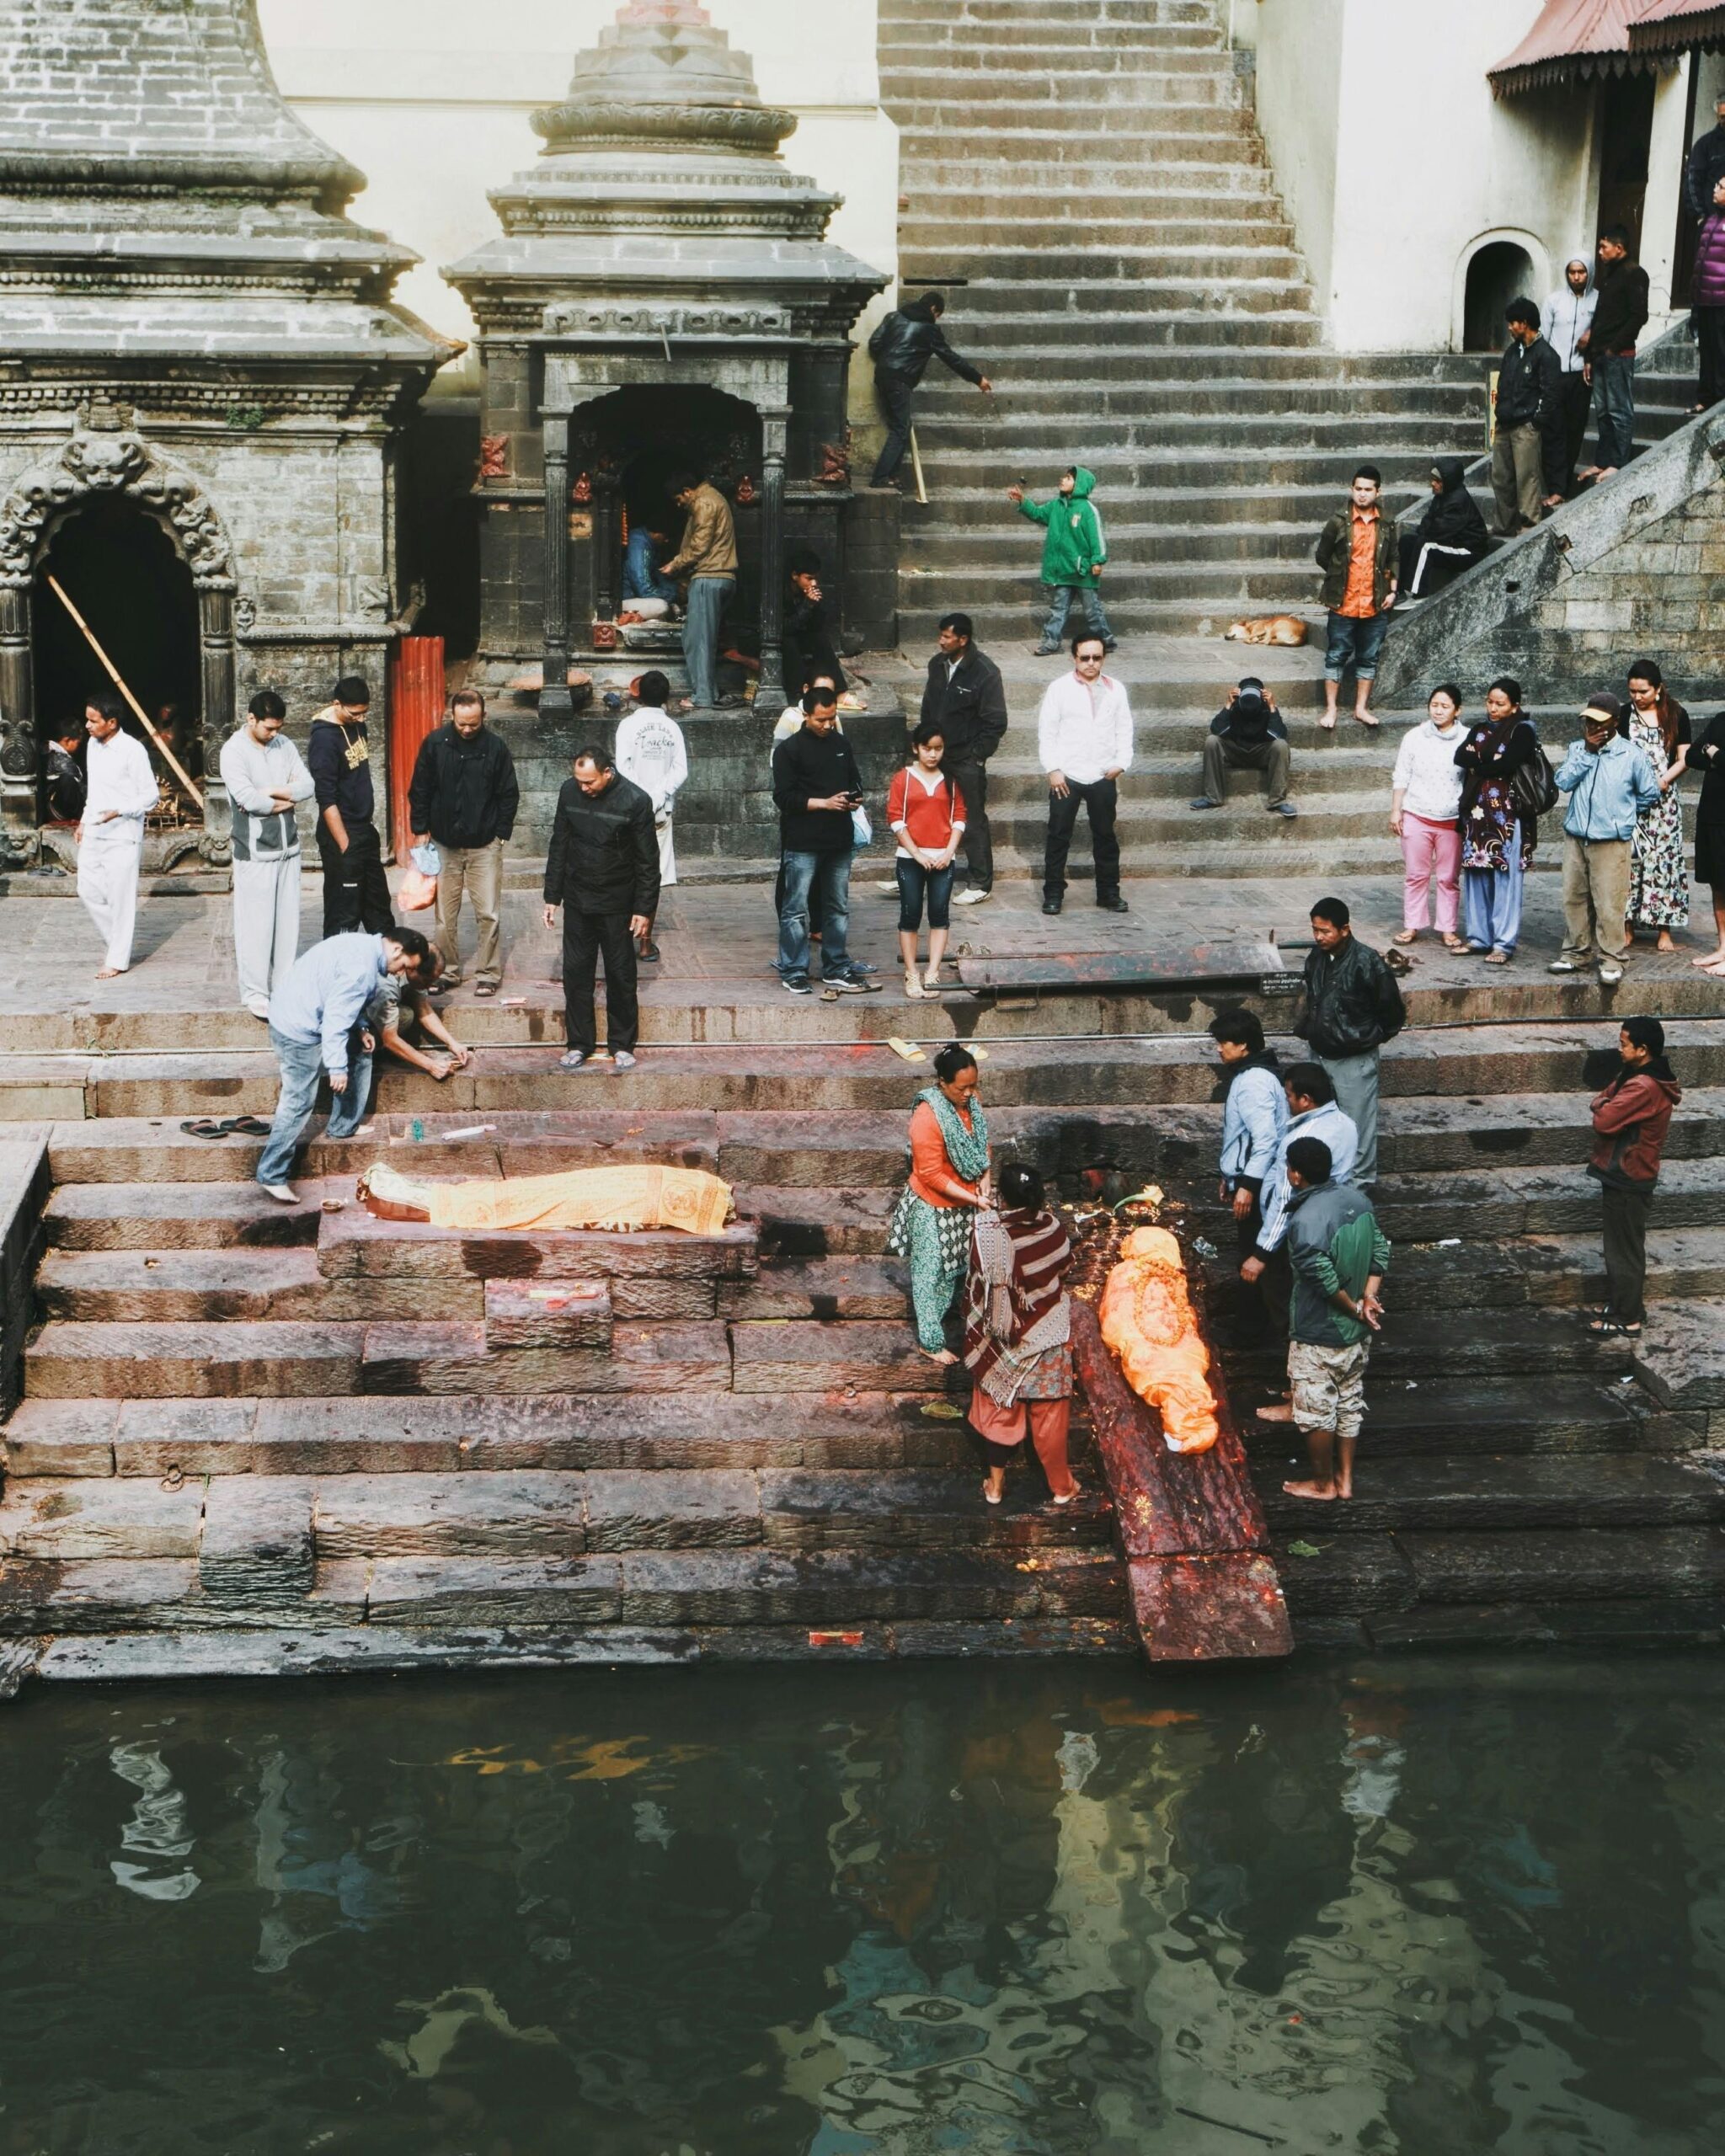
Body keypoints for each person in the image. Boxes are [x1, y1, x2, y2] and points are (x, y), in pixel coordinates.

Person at [254, 925, 429, 1202]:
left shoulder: (362, 945)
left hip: (297, 1010)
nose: (400, 973)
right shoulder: (362, 970)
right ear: (397, 950)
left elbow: (341, 997)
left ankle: (343, 1125)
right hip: (297, 1028)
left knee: (360, 1049)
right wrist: (337, 1068)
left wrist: (360, 1028)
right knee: (298, 1100)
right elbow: (336, 1019)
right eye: (404, 965)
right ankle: (271, 1173)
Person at [1262, 1134, 1391, 1504]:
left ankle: (1322, 1483)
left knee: (1317, 1412)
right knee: (1349, 1402)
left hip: (1320, 1332)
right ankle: (1345, 1480)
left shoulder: (1305, 1220)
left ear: (1295, 1174)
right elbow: (1380, 1249)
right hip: (1357, 1334)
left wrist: (1352, 1305)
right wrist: (1369, 1298)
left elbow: (1322, 1278)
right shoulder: (1358, 1199)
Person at [964, 1161, 1081, 1507]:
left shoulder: (985, 1235)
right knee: (1051, 1419)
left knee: (998, 1408)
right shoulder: (1054, 1228)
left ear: (1002, 1195)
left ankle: (996, 1488)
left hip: (1004, 1340)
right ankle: (1062, 1488)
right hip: (1047, 1334)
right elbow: (1064, 1265)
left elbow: (976, 1277)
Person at [542, 744, 659, 1072]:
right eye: (579, 781)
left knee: (620, 974)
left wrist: (643, 909)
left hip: (617, 902)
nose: (583, 788)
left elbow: (648, 862)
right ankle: (579, 1043)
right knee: (576, 974)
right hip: (578, 898)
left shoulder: (636, 801)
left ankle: (621, 1043)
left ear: (608, 773)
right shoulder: (569, 792)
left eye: (590, 782)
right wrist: (552, 896)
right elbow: (559, 844)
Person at [1240, 1062, 1359, 1358]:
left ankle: (1296, 1375)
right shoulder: (1347, 1124)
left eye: (1289, 1096)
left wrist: (1261, 1254)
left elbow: (1285, 1199)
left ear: (1306, 1100)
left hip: (1294, 1233)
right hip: (1330, 1224)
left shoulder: (1300, 1140)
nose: (1286, 1102)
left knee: (1286, 1302)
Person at [407, 688, 519, 999]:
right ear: (452, 717)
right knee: (445, 917)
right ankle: (447, 971)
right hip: (444, 843)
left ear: (483, 716)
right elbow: (420, 789)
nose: (467, 729)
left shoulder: (496, 747)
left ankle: (488, 973)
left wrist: (501, 834)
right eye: (461, 724)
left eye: (473, 723)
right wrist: (420, 830)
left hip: (485, 845)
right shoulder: (434, 744)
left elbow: (509, 793)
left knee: (489, 915)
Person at [885, 1043, 991, 1363]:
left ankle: (959, 1315)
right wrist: (974, 1197)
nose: (970, 1094)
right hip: (932, 1207)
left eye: (974, 1085)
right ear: (942, 1084)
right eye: (963, 1088)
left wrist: (985, 1181)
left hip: (966, 1201)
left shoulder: (971, 1104)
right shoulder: (926, 1117)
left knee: (961, 1269)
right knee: (931, 1276)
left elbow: (983, 1146)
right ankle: (930, 1342)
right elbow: (931, 1175)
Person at [1548, 692, 1659, 987]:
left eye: (1600, 722)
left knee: (1610, 902)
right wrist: (1586, 751)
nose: (1593, 727)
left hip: (1611, 840)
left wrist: (1621, 816)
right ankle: (1575, 953)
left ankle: (1612, 958)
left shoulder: (1631, 755)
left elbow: (1649, 793)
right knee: (1574, 897)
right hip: (1576, 838)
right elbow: (1562, 782)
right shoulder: (1577, 749)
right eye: (1589, 720)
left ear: (1615, 721)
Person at [771, 685, 875, 996]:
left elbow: (855, 780)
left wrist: (853, 799)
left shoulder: (841, 743)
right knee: (796, 908)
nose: (827, 725)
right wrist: (823, 803)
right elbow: (784, 797)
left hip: (838, 839)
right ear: (806, 715)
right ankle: (793, 968)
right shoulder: (788, 750)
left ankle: (836, 965)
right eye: (821, 720)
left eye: (832, 719)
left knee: (838, 906)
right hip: (803, 840)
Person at [1294, 898, 1403, 1187]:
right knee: (1316, 1123)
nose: (1318, 937)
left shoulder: (1368, 962)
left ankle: (1357, 1190)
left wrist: (1366, 1039)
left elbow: (1392, 1014)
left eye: (1325, 931)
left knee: (1357, 1130)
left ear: (1345, 930)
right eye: (1315, 930)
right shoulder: (1315, 958)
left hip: (1354, 1059)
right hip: (1318, 1053)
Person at [220, 688, 314, 1020]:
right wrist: (280, 802)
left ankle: (285, 985)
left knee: (287, 923)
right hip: (254, 852)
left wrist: (274, 792)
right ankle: (255, 991)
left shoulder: (284, 745)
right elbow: (247, 799)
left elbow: (307, 785)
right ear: (252, 719)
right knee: (255, 925)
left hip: (289, 847)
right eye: (269, 729)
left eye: (278, 728)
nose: (275, 734)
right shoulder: (233, 751)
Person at [1586, 1016, 1680, 1338]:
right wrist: (1605, 1103)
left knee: (1623, 1250)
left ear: (1642, 1049)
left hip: (1629, 1174)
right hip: (1627, 1172)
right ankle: (1623, 1305)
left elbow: (1603, 1118)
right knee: (1622, 1245)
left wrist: (1605, 1104)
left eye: (1624, 1043)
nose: (1619, 1048)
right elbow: (1601, 1099)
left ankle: (1628, 1318)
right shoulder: (1636, 1074)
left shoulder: (1642, 1085)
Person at [1038, 632, 1133, 916]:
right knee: (1058, 836)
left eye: (1097, 657)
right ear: (1074, 658)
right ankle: (1053, 894)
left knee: (1105, 836)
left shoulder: (1116, 689)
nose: (1091, 663)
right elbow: (1047, 731)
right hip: (1067, 775)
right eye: (1085, 658)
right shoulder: (1059, 688)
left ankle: (1108, 892)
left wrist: (1121, 762)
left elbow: (1124, 728)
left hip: (1102, 774)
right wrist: (1053, 769)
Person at [920, 613, 1007, 906]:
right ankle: (920, 868)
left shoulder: (985, 672)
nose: (941, 641)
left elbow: (995, 721)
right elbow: (928, 706)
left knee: (971, 819)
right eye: (941, 635)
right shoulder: (937, 664)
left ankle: (980, 881)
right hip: (935, 754)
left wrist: (977, 756)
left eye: (947, 636)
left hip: (966, 758)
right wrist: (924, 744)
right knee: (929, 811)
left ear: (963, 639)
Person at [867, 291, 993, 489]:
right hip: (901, 380)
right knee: (900, 428)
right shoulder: (929, 330)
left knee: (901, 426)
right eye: (937, 315)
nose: (936, 319)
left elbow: (874, 343)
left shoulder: (893, 316)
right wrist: (978, 379)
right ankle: (880, 477)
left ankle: (891, 475)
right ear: (934, 309)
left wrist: (888, 360)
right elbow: (951, 358)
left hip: (882, 375)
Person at [1456, 676, 1542, 963]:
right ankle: (1479, 937)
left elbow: (1508, 763)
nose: (1493, 708)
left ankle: (1503, 943)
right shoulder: (1479, 729)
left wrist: (1478, 761)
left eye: (1500, 704)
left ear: (1515, 705)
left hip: (1506, 815)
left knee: (1506, 879)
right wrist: (1487, 763)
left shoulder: (1523, 730)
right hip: (1478, 816)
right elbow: (1460, 756)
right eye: (1490, 702)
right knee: (1477, 875)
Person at [76, 695, 158, 979]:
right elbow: (94, 789)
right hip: (96, 828)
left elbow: (150, 796)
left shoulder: (133, 750)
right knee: (87, 889)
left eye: (93, 720)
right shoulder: (92, 746)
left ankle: (117, 958)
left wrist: (119, 811)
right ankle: (117, 944)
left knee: (121, 898)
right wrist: (85, 822)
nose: (87, 725)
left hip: (123, 834)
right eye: (87, 719)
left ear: (111, 723)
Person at [307, 675, 392, 938]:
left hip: (364, 829)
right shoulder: (323, 741)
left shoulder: (357, 726)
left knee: (378, 905)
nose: (362, 719)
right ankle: (337, 972)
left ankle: (389, 970)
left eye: (365, 712)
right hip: (341, 833)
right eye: (355, 714)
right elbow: (326, 799)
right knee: (344, 910)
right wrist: (345, 846)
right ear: (337, 704)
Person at [613, 670, 687, 965]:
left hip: (630, 811)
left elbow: (622, 768)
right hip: (660, 813)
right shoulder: (673, 728)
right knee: (651, 878)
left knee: (625, 874)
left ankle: (621, 938)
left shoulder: (628, 726)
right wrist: (657, 797)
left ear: (638, 695)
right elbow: (680, 770)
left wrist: (641, 798)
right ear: (666, 697)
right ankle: (645, 943)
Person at [1315, 465, 1397, 730]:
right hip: (1344, 601)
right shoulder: (1338, 521)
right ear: (1352, 490)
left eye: (1368, 490)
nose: (1362, 494)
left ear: (1378, 491)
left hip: (1375, 603)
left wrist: (1393, 589)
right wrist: (1338, 578)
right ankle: (1331, 709)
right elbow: (1322, 556)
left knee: (1369, 657)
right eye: (1358, 489)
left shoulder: (1386, 522)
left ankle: (1361, 708)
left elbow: (1394, 556)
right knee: (1336, 654)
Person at [888, 720, 966, 999]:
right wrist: (917, 853)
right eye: (927, 749)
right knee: (910, 914)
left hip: (943, 858)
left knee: (939, 914)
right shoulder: (904, 779)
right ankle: (911, 972)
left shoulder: (951, 779)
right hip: (910, 858)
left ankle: (933, 972)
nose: (933, 755)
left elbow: (959, 817)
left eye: (938, 749)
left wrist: (948, 852)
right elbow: (896, 818)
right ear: (916, 748)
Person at [1007, 466, 1115, 656]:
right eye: (1064, 477)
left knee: (1092, 611)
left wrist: (1097, 561)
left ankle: (1105, 639)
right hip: (1063, 571)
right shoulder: (1056, 506)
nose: (1063, 480)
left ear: (1079, 484)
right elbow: (1038, 514)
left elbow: (1097, 537)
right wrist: (1023, 500)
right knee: (1058, 609)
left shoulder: (1087, 510)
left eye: (1068, 478)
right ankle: (1052, 641)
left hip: (1083, 570)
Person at [1390, 684, 1467, 947]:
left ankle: (1447, 928)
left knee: (1448, 878)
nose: (1438, 710)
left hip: (1452, 819)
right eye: (1435, 704)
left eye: (1445, 706)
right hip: (1417, 814)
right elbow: (1402, 774)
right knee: (1416, 875)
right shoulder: (1414, 736)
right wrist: (1395, 810)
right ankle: (1412, 925)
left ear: (1457, 710)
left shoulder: (1467, 738)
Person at [1622, 660, 1690, 952]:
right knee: (1630, 862)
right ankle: (1626, 925)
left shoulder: (1676, 714)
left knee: (1664, 863)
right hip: (1631, 799)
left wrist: (1662, 781)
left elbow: (1684, 758)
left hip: (1664, 805)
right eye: (1633, 691)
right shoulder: (1625, 714)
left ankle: (1664, 928)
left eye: (1643, 691)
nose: (1637, 697)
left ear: (1658, 688)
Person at [1210, 1006, 1287, 1265]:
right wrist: (1229, 1176)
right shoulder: (1251, 1076)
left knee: (1257, 1261)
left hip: (1261, 1185)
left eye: (1223, 1043)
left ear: (1243, 1045)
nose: (1219, 1049)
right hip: (1251, 1178)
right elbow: (1242, 1137)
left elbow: (1265, 1141)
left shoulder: (1253, 1082)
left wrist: (1247, 1186)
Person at [1577, 226, 1649, 483]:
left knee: (1619, 411)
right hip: (1600, 355)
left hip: (1618, 355)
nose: (1600, 252)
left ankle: (1618, 463)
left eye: (1604, 246)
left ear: (1619, 248)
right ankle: (1602, 461)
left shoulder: (1635, 274)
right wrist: (1589, 357)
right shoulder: (1610, 276)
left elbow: (1639, 316)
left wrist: (1613, 348)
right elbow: (1600, 319)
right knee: (1604, 412)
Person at [660, 471, 738, 711]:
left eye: (678, 499)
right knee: (702, 637)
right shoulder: (714, 498)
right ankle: (709, 692)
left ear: (687, 491)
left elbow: (699, 546)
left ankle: (702, 697)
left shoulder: (703, 502)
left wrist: (676, 563)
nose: (679, 504)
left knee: (698, 640)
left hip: (710, 577)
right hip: (718, 577)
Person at [1491, 299, 1562, 535]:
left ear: (1525, 323)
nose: (1510, 327)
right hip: (1505, 424)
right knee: (1501, 479)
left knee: (1526, 479)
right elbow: (1502, 385)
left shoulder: (1546, 355)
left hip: (1525, 427)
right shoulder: (1512, 352)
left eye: (1513, 323)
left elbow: (1550, 394)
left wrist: (1535, 422)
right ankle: (1504, 525)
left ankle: (1528, 528)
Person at [1191, 676, 1294, 818]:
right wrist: (1228, 705)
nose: (1250, 700)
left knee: (1281, 745)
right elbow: (1217, 731)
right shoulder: (1234, 708)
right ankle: (1213, 798)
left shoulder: (1267, 709)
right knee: (1212, 741)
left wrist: (1272, 707)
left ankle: (1277, 801)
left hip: (1261, 753)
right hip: (1235, 753)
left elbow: (1277, 735)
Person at [367, 947, 471, 1082]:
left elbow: (423, 1008)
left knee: (406, 1015)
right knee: (404, 1016)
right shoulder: (387, 983)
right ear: (413, 969)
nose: (429, 987)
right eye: (427, 981)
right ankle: (364, 1052)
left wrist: (452, 1043)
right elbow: (390, 1039)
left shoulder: (414, 971)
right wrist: (431, 1065)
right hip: (352, 1027)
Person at [1397, 457, 1489, 602]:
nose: (1433, 483)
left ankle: (1416, 594)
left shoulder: (1458, 501)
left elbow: (1438, 532)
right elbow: (1427, 522)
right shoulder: (1442, 496)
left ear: (1448, 482)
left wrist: (1426, 529)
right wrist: (1426, 529)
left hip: (1469, 550)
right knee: (1407, 540)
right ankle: (1400, 590)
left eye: (1437, 481)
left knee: (1426, 546)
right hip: (1452, 543)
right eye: (1432, 479)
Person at [1541, 259, 1597, 494]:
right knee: (1553, 430)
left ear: (1589, 273)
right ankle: (1554, 486)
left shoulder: (1597, 300)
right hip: (1555, 375)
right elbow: (1543, 336)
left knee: (1575, 429)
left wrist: (1591, 336)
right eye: (1572, 272)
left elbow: (1604, 327)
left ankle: (1562, 483)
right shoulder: (1554, 300)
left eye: (1581, 272)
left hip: (1580, 375)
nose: (1576, 277)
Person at [1689, 706, 1725, 971]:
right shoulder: (1720, 720)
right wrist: (1715, 757)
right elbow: (1692, 755)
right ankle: (1724, 947)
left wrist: (1714, 753)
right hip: (1712, 813)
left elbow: (1707, 752)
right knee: (1717, 882)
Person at [785, 552, 846, 698]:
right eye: (809, 578)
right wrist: (806, 606)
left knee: (820, 638)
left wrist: (814, 606)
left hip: (798, 635)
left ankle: (840, 691)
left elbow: (816, 627)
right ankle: (797, 694)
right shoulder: (783, 593)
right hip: (782, 638)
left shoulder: (805, 593)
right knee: (789, 642)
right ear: (795, 576)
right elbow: (786, 628)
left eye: (815, 579)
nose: (814, 583)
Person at [1693, 178, 1725, 412]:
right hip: (1704, 297)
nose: (1715, 189)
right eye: (1715, 185)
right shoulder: (1711, 220)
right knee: (1706, 349)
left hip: (1722, 299)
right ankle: (1705, 399)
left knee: (1721, 349)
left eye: (1721, 187)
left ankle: (1720, 402)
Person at [1687, 88, 1725, 225]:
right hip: (1712, 222)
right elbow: (1692, 182)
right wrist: (1701, 216)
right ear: (1717, 116)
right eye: (1723, 116)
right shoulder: (1705, 145)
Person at [622, 521, 678, 608]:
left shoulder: (652, 545)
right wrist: (672, 594)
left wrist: (674, 588)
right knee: (661, 607)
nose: (666, 541)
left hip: (639, 595)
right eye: (665, 536)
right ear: (656, 534)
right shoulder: (639, 546)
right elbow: (643, 590)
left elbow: (659, 574)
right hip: (629, 597)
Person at [44, 726, 85, 823]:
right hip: (58, 809)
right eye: (77, 743)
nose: (79, 746)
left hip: (54, 803)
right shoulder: (60, 760)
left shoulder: (49, 751)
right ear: (67, 740)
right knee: (68, 780)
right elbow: (80, 787)